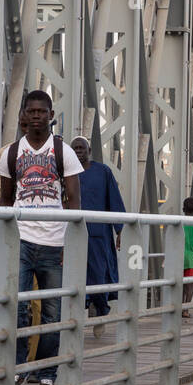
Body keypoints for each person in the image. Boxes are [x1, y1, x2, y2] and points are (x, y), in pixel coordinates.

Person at [0, 88, 83, 385]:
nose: (36, 116)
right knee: (17, 307)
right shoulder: (12, 153)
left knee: (53, 310)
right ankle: (17, 370)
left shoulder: (63, 151)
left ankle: (46, 371)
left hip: (54, 241)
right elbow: (3, 199)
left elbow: (74, 201)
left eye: (42, 111)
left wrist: (71, 243)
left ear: (51, 116)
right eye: (31, 111)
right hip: (20, 239)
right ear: (24, 116)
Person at [70, 136, 125, 339]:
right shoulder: (66, 172)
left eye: (81, 148)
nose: (78, 151)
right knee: (73, 277)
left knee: (98, 276)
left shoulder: (103, 172)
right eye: (74, 148)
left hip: (98, 235)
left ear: (89, 150)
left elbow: (115, 201)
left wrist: (120, 230)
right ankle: (75, 320)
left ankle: (100, 310)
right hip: (72, 235)